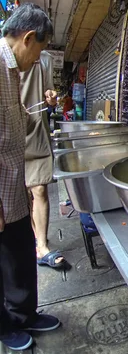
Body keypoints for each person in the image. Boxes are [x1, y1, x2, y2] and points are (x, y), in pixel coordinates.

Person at [0, 3, 61, 351]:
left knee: (21, 254)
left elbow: (16, 120)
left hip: (13, 183)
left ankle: (24, 314)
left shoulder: (13, 72)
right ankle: (4, 326)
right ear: (27, 38)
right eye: (39, 49)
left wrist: (43, 108)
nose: (38, 59)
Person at [20, 51, 64, 268]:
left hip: (37, 129)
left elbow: (50, 100)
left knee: (39, 189)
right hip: (10, 131)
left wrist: (52, 100)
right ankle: (34, 236)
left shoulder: (44, 58)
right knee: (24, 192)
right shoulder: (4, 55)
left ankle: (42, 244)